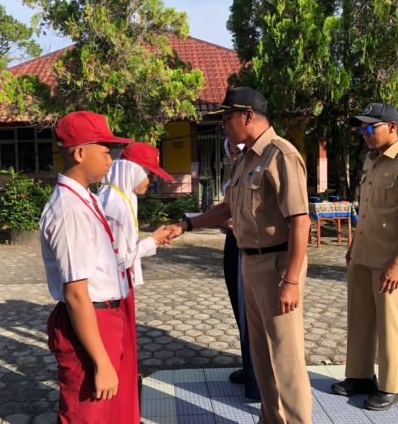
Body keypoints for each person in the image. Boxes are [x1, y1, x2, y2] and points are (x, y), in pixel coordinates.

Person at [168, 87, 313, 424]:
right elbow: (228, 208)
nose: (223, 125)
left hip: (277, 265)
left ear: (248, 115)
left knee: (286, 356)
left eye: (227, 117)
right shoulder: (247, 157)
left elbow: (301, 222)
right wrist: (186, 226)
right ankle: (270, 418)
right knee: (260, 353)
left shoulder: (281, 155)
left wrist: (291, 280)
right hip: (250, 262)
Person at [331, 103, 398, 411]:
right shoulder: (371, 161)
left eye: (371, 127)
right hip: (364, 254)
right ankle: (360, 376)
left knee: (390, 323)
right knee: (360, 318)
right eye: (362, 128)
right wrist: (352, 246)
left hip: (391, 260)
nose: (365, 133)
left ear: (392, 127)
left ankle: (392, 386)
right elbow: (369, 210)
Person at [39, 111, 135, 424]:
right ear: (79, 152)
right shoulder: (70, 211)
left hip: (103, 318)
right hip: (90, 322)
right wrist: (101, 362)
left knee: (105, 413)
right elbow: (77, 293)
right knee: (87, 415)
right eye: (106, 152)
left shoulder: (84, 199)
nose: (112, 160)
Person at [96, 142, 173, 422]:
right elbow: (116, 260)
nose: (151, 182)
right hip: (114, 288)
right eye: (149, 174)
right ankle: (119, 413)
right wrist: (151, 241)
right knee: (121, 353)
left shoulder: (120, 196)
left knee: (124, 353)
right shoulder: (116, 206)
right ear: (133, 170)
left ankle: (123, 411)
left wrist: (151, 242)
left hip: (119, 284)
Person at [221, 139, 260, 400]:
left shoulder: (261, 172)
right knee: (240, 311)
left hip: (253, 247)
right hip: (233, 244)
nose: (235, 156)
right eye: (231, 152)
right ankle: (250, 368)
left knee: (253, 316)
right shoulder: (233, 179)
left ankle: (258, 382)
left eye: (239, 151)